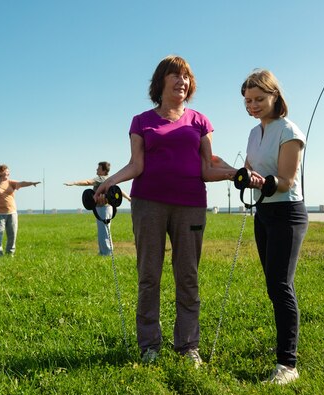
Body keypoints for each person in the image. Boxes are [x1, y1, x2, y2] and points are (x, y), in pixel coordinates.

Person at [94, 55, 236, 366]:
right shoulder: (141, 121)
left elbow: (208, 165)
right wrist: (109, 182)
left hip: (191, 204)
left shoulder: (199, 121)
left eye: (186, 77)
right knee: (149, 275)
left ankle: (187, 347)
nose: (182, 81)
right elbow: (136, 164)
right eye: (175, 75)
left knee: (188, 275)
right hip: (148, 204)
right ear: (161, 82)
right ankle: (149, 346)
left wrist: (235, 173)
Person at [240, 69, 308, 384]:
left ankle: (288, 366)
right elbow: (252, 168)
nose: (253, 105)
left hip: (287, 214)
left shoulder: (289, 131)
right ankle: (284, 346)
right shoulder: (255, 133)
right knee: (272, 285)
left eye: (259, 99)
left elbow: (285, 182)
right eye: (248, 100)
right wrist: (243, 174)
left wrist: (259, 180)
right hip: (263, 214)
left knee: (281, 286)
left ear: (274, 96)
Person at [64, 161, 131, 256]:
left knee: (103, 231)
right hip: (108, 209)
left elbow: (88, 182)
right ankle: (104, 251)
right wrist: (128, 198)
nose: (96, 169)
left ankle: (106, 253)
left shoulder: (101, 178)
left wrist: (74, 183)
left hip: (103, 209)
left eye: (98, 168)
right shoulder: (110, 179)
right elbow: (119, 191)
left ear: (103, 170)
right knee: (105, 230)